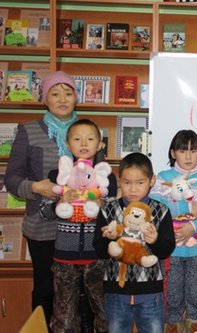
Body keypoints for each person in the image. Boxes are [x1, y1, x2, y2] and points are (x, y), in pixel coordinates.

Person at [5, 71, 79, 327]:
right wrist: (37, 186)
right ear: (44, 99)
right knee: (46, 290)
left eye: (68, 93)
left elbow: (98, 175)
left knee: (81, 293)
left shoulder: (87, 130)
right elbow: (12, 179)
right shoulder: (29, 131)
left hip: (80, 227)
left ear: (76, 97)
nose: (62, 99)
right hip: (42, 227)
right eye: (55, 93)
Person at [93, 152, 176, 333]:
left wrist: (155, 240)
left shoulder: (160, 210)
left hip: (150, 291)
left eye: (140, 182)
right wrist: (111, 238)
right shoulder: (108, 210)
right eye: (127, 182)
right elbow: (98, 249)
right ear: (119, 180)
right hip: (116, 291)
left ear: (151, 180)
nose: (133, 189)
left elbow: (166, 249)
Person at [48, 119, 117, 333]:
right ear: (68, 144)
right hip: (64, 257)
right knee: (64, 316)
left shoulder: (107, 178)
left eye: (90, 139)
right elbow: (43, 211)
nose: (84, 143)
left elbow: (116, 212)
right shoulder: (58, 176)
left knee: (105, 312)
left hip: (97, 256)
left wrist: (101, 204)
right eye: (77, 139)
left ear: (99, 145)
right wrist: (60, 202)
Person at [149, 129, 197, 333]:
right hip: (171, 251)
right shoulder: (163, 178)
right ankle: (172, 324)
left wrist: (193, 227)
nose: (188, 156)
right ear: (173, 153)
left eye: (193, 150)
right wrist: (185, 208)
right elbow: (156, 209)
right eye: (182, 150)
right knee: (171, 293)